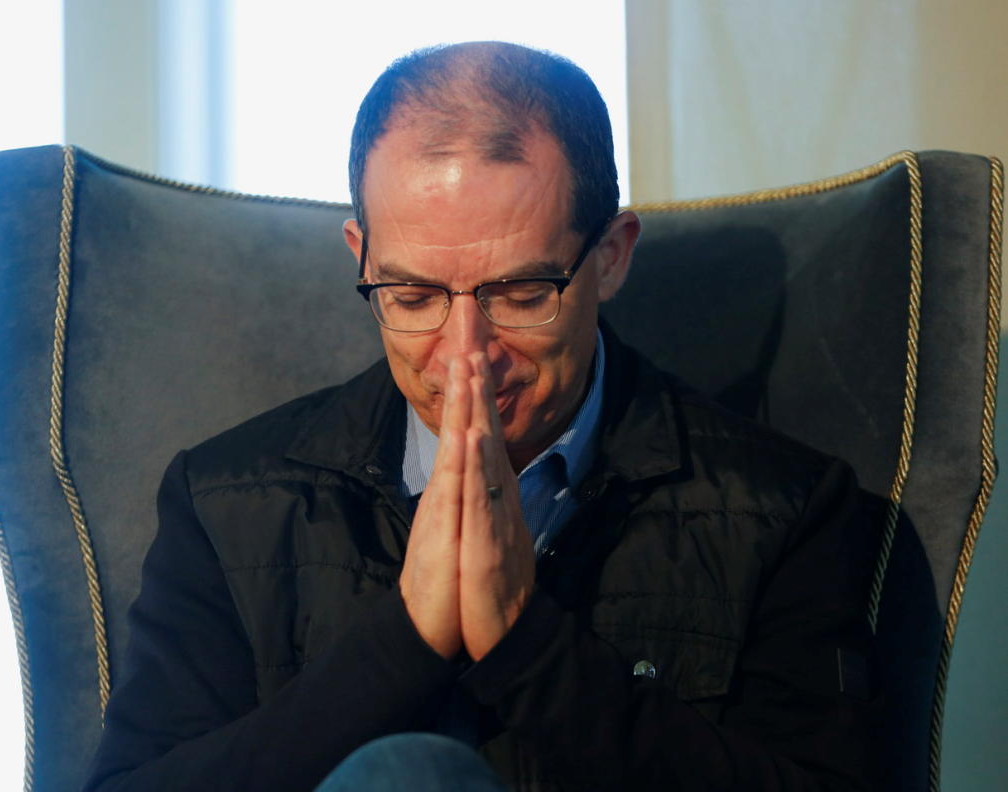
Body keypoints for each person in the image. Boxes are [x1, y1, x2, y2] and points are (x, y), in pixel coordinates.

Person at [85, 42, 875, 792]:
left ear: (610, 257)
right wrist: (403, 644)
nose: (465, 355)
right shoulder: (225, 503)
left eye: (522, 294)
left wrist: (527, 646)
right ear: (361, 258)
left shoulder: (785, 511)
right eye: (413, 297)